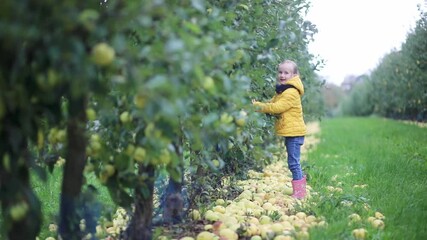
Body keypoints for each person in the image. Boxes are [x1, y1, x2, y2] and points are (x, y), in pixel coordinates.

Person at [252, 60, 307, 199]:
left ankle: (300, 193)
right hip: (292, 132)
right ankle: (299, 190)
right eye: (280, 72)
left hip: (295, 133)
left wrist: (257, 106)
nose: (282, 75)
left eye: (286, 73)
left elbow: (277, 108)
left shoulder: (291, 92)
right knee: (293, 161)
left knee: (293, 163)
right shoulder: (283, 90)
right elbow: (272, 103)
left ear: (294, 75)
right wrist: (258, 105)